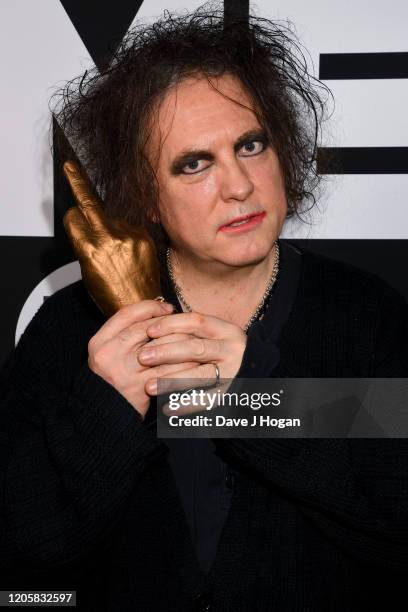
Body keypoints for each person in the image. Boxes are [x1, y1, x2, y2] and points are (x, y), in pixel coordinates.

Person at [1, 5, 408, 611]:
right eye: (194, 164)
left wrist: (255, 403)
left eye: (251, 144)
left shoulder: (366, 317)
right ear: (147, 197)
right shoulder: (72, 334)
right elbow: (28, 561)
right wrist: (108, 408)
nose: (240, 184)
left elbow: (392, 527)